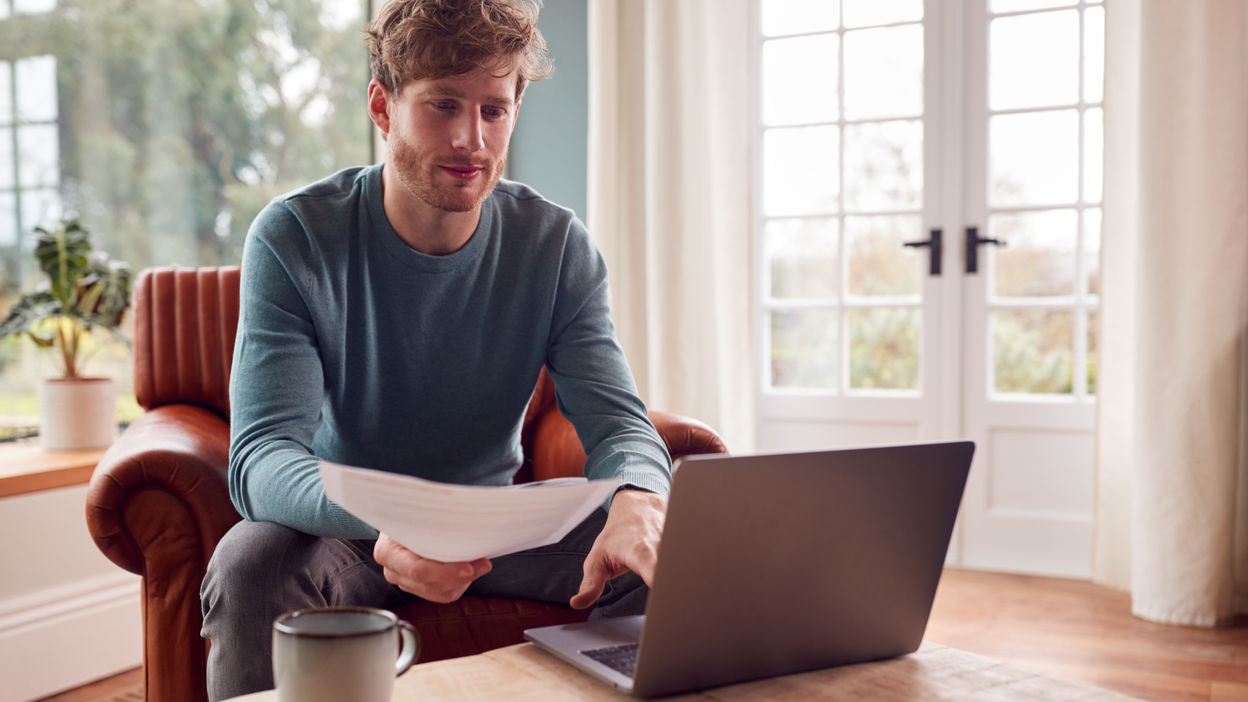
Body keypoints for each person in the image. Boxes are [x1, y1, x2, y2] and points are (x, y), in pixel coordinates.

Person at [198, 0, 672, 699]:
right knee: (251, 563)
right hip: (346, 527)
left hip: (499, 526)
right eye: (443, 105)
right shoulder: (294, 237)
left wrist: (638, 495)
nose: (470, 139)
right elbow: (263, 460)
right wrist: (394, 518)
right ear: (382, 107)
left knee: (650, 555)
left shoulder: (556, 244)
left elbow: (620, 422)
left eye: (493, 109)